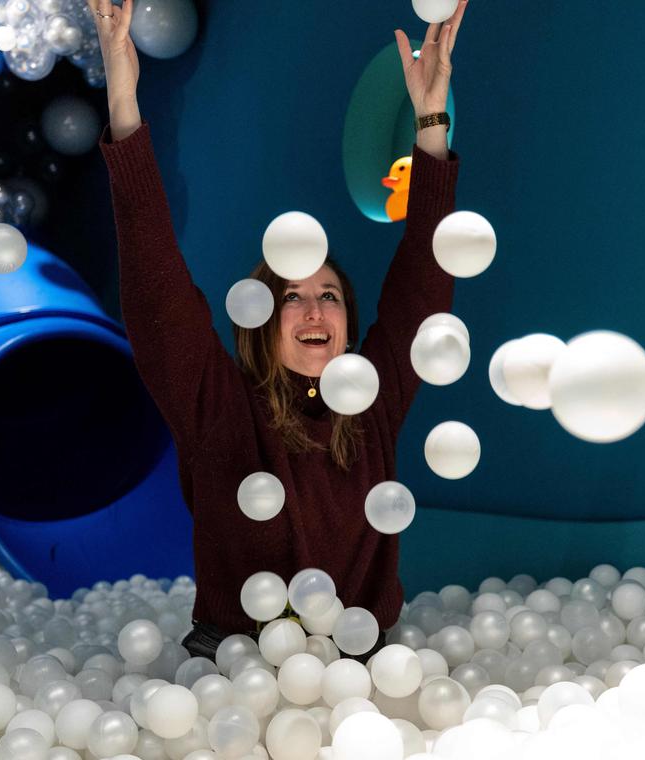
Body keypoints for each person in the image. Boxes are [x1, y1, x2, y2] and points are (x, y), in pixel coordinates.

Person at [89, 0, 469, 659]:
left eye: (329, 295)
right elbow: (158, 292)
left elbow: (423, 289)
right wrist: (124, 99)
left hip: (363, 667)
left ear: (350, 321)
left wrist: (430, 120)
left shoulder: (371, 403)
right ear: (260, 322)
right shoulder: (222, 412)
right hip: (238, 669)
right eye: (293, 299)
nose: (316, 311)